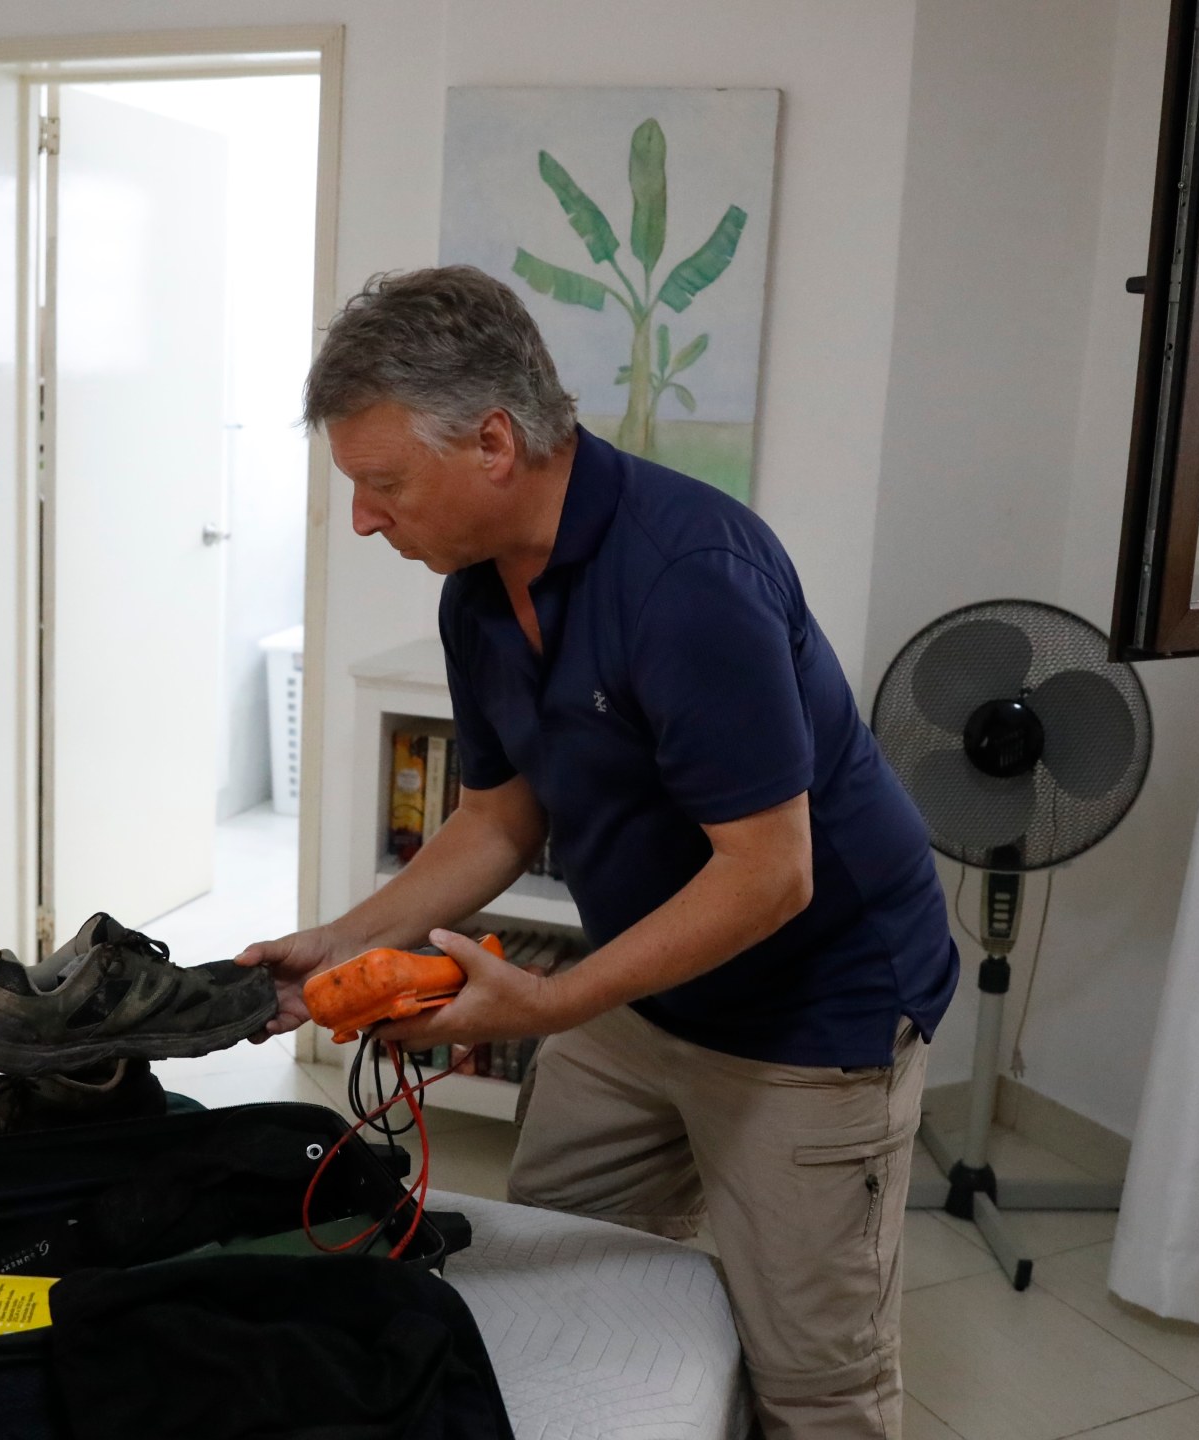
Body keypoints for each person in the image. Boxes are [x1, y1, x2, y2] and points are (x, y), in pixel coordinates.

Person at [238, 266, 957, 1440]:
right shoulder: (475, 595)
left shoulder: (688, 580)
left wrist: (549, 1003)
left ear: (493, 442)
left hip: (811, 1019)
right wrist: (340, 939)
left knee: (813, 1384)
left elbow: (771, 873)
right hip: (643, 989)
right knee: (560, 1280)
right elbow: (498, 820)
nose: (365, 519)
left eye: (382, 485)